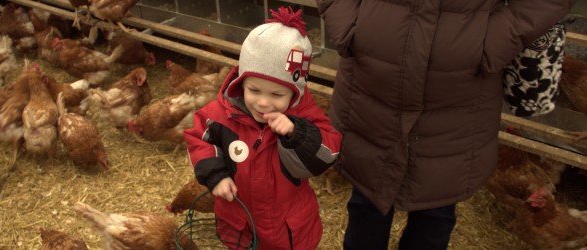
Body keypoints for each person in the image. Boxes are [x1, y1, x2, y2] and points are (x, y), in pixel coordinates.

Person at [316, 0, 577, 249]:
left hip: (458, 97)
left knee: (435, 213)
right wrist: (349, 25)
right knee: (366, 203)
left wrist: (492, 40)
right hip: (373, 82)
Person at [183, 6, 342, 249]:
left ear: (295, 91)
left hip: (287, 228)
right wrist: (216, 175)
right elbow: (199, 138)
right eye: (254, 90)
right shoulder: (222, 113)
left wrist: (295, 133)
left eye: (277, 94)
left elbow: (328, 152)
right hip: (239, 223)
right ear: (241, 82)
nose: (263, 102)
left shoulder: (306, 116)